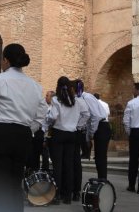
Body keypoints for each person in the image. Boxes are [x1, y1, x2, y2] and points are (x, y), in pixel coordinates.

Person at [0, 43, 48, 212]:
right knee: (15, 185)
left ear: (5, 60)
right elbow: (42, 114)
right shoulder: (35, 86)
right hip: (22, 135)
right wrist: (30, 129)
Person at [46, 76, 89, 204]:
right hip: (72, 134)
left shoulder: (56, 100)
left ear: (58, 87)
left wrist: (49, 122)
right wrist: (77, 125)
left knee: (58, 165)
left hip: (58, 133)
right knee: (69, 165)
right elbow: (86, 114)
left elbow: (53, 116)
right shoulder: (77, 101)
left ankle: (57, 194)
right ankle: (68, 196)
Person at [72, 80, 110, 195]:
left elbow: (96, 116)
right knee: (98, 157)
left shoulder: (87, 97)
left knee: (101, 157)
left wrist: (91, 133)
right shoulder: (82, 99)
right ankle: (101, 180)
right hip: (97, 127)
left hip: (101, 127)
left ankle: (103, 182)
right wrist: (89, 136)